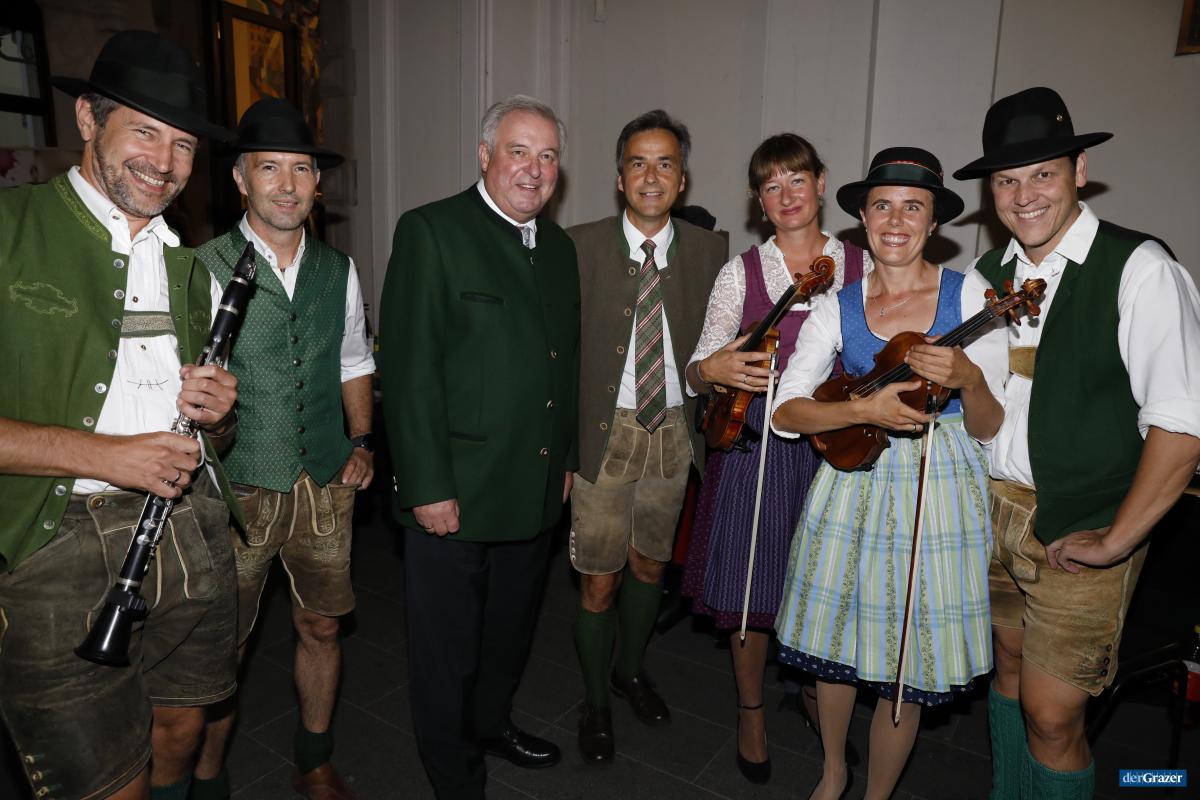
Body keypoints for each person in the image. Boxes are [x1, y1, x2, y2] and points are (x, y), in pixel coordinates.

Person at [0, 30, 241, 800]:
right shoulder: (9, 229)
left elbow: (215, 436)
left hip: (191, 527)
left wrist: (219, 416)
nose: (164, 162)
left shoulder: (192, 269)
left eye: (183, 144)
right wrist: (104, 455)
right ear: (86, 119)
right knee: (110, 784)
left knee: (182, 730)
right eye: (144, 131)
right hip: (56, 549)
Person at [952, 86, 1200, 800]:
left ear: (1080, 170)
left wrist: (1118, 538)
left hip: (1082, 523)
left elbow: (1183, 426)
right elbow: (990, 416)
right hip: (996, 513)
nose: (1024, 195)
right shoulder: (989, 277)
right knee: (1006, 671)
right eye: (1007, 180)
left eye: (1042, 174)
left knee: (1053, 715)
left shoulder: (1140, 268)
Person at [771, 147, 1008, 800]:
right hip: (853, 480)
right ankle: (833, 769)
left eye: (912, 207)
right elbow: (787, 413)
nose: (896, 221)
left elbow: (990, 425)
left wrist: (971, 378)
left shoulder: (971, 295)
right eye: (882, 206)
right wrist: (860, 409)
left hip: (939, 481)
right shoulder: (835, 306)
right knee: (835, 639)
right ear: (863, 219)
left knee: (905, 655)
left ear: (934, 222)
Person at [379, 95, 579, 800]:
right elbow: (409, 372)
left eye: (548, 156)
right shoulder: (431, 231)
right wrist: (426, 485)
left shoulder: (559, 248)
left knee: (508, 633)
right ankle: (455, 777)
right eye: (519, 152)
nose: (534, 169)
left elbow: (563, 367)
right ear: (485, 154)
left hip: (533, 486)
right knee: (447, 652)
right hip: (454, 492)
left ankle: (492, 725)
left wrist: (566, 463)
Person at [190, 98, 376, 800]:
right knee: (225, 647)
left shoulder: (338, 269)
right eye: (270, 168)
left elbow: (353, 360)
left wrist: (361, 440)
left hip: (324, 481)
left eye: (301, 169)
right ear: (241, 179)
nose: (288, 184)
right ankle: (206, 776)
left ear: (317, 183)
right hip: (237, 488)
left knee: (322, 626)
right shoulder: (202, 267)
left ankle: (314, 757)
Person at [680, 133, 869, 784]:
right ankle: (752, 709)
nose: (786, 195)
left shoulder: (862, 263)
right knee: (749, 584)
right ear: (758, 201)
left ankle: (815, 692)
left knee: (827, 582)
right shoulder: (742, 272)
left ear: (821, 183)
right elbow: (696, 369)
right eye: (771, 185)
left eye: (797, 179)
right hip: (758, 440)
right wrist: (713, 368)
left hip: (840, 437)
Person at [566, 110, 725, 764]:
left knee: (651, 565)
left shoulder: (711, 251)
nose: (651, 176)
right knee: (597, 579)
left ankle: (630, 672)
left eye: (665, 164)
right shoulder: (577, 246)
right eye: (638, 163)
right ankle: (594, 700)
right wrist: (565, 451)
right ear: (619, 177)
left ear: (683, 179)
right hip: (605, 436)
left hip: (674, 435)